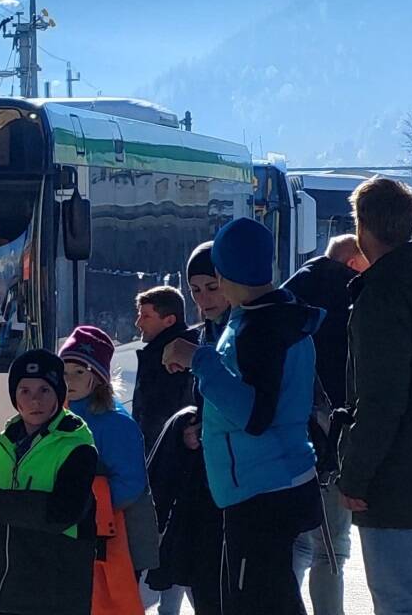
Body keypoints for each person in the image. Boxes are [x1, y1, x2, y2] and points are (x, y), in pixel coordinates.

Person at [163, 217, 323, 615]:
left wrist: (197, 359)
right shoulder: (275, 313)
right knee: (268, 598)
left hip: (261, 491)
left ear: (225, 272)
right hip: (272, 483)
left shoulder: (261, 325)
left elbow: (255, 416)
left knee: (257, 603)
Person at [0, 348, 98, 615]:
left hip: (56, 596)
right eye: (25, 391)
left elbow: (63, 512)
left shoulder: (77, 446)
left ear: (59, 393)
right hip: (2, 595)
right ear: (15, 397)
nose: (35, 400)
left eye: (44, 390)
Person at [338, 177, 412, 615]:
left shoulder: (380, 296)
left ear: (362, 228)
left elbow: (381, 400)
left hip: (397, 489)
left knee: (401, 603)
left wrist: (355, 476)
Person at [284, 233, 369, 615]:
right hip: (330, 437)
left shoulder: (292, 290)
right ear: (354, 263)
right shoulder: (351, 299)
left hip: (288, 437)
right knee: (332, 548)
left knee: (301, 540)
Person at [147, 241, 227, 615]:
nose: (204, 299)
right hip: (206, 482)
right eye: (195, 290)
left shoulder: (243, 333)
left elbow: (249, 406)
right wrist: (191, 428)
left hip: (241, 490)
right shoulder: (205, 334)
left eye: (212, 287)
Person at [59, 326, 155, 612]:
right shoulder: (58, 415)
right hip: (82, 532)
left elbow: (130, 483)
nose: (69, 380)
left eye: (80, 371)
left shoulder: (115, 422)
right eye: (64, 371)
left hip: (115, 538)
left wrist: (80, 508)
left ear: (98, 377)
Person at [144, 406, 222, 615]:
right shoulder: (186, 421)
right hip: (185, 517)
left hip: (192, 517)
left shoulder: (187, 420)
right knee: (180, 567)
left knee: (181, 568)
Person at [131, 285, 196, 454]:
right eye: (139, 315)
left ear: (169, 321)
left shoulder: (172, 360)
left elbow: (156, 415)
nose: (138, 323)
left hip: (169, 456)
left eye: (146, 316)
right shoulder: (155, 354)